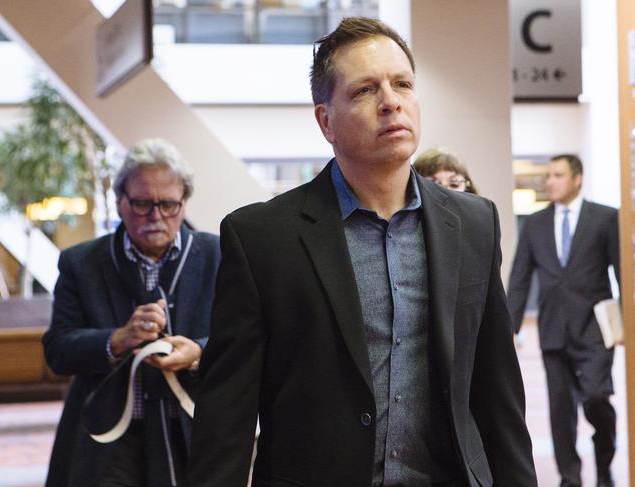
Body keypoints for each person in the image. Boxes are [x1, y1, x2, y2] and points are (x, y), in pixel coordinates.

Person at [188, 17, 536, 487]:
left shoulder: (473, 223)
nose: (391, 102)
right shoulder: (261, 238)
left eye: (402, 84)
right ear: (325, 120)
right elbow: (226, 417)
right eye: (364, 91)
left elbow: (499, 395)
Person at [42, 138, 220, 487]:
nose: (156, 216)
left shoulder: (219, 255)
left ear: (184, 203)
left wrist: (198, 351)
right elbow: (58, 351)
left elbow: (247, 339)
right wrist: (117, 339)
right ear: (120, 202)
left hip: (193, 432)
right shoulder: (81, 262)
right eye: (142, 204)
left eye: (168, 204)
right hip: (108, 437)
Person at [507, 154, 620, 487]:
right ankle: (569, 477)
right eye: (548, 175)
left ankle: (603, 466)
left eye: (557, 175)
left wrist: (626, 320)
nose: (549, 181)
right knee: (560, 412)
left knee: (597, 398)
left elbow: (622, 272)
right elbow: (519, 278)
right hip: (553, 331)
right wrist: (508, 329)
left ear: (577, 178)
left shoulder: (605, 218)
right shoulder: (535, 223)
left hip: (595, 330)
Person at [412, 148, 478, 194]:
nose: (446, 192)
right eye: (433, 185)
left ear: (468, 188)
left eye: (454, 184)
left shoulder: (481, 212)